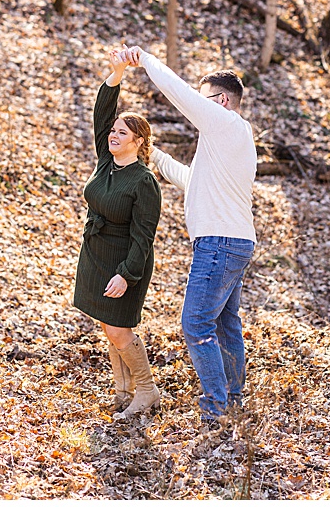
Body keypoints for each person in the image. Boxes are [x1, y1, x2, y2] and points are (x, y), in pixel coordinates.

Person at [122, 45, 257, 429]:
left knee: (195, 324)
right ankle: (231, 398)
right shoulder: (231, 140)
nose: (200, 107)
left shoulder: (226, 124)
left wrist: (145, 59)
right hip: (233, 242)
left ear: (223, 101)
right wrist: (153, 152)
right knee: (226, 323)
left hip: (219, 243)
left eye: (205, 100)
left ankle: (215, 409)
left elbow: (176, 91)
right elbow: (193, 181)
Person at [73, 48, 163, 419]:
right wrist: (116, 73)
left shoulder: (143, 182)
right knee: (110, 328)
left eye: (121, 133)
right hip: (96, 254)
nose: (113, 135)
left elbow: (145, 237)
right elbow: (100, 115)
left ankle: (146, 390)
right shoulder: (106, 160)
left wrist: (126, 275)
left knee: (118, 329)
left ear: (139, 141)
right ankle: (123, 391)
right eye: (113, 131)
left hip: (126, 261)